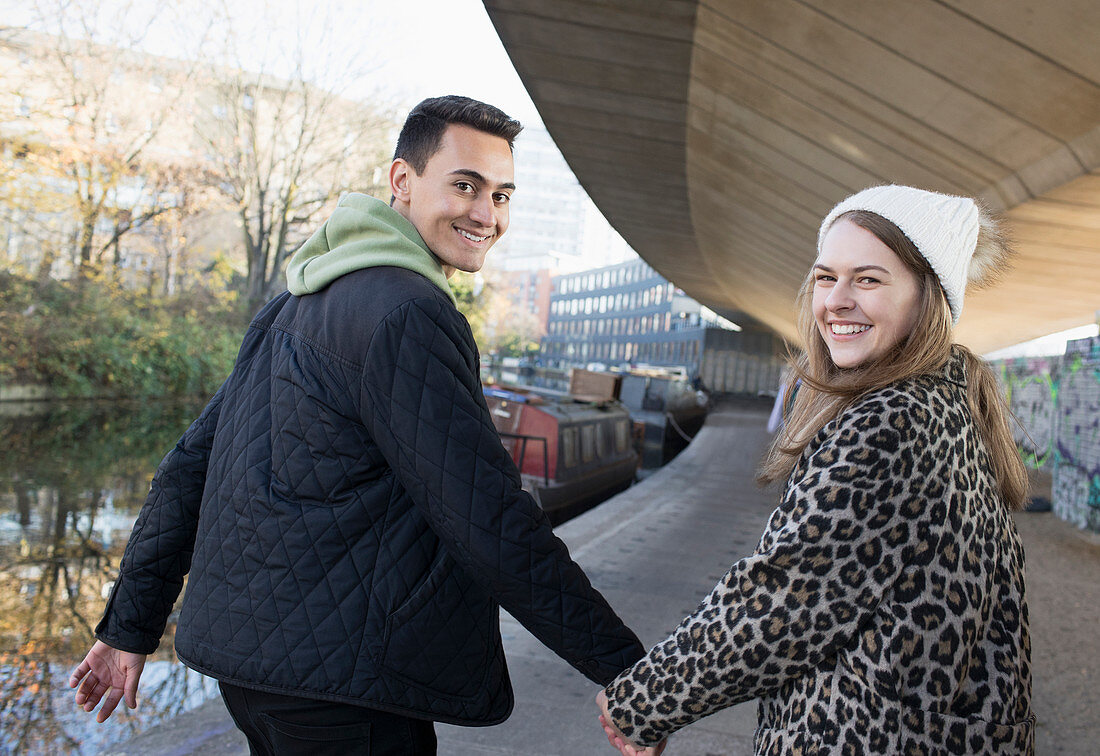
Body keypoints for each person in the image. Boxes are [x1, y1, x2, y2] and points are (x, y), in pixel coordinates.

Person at [69, 95, 645, 754]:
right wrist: (629, 671)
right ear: (402, 181)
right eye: (465, 186)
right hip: (344, 691)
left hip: (256, 677)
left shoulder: (294, 301)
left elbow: (183, 472)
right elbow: (490, 522)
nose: (487, 214)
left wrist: (129, 627)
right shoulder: (410, 315)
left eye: (502, 194)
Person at [596, 184, 1035, 755]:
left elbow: (785, 599)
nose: (836, 300)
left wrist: (642, 704)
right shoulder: (949, 401)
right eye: (826, 276)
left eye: (869, 279)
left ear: (929, 297)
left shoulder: (891, 424)